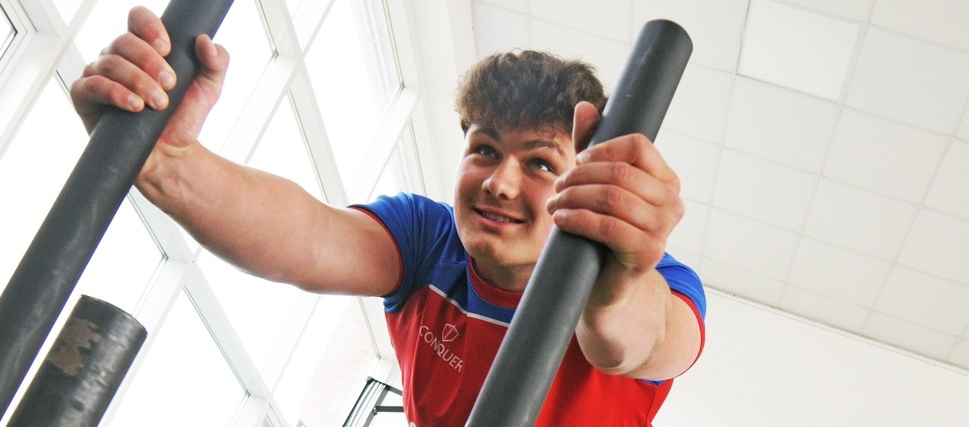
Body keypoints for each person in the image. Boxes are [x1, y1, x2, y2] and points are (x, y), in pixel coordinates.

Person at [71, 6, 706, 426]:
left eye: (540, 164)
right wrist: (167, 162)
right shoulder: (429, 240)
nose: (500, 183)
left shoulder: (646, 280)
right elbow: (307, 237)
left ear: (584, 179)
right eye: (484, 150)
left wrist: (614, 284)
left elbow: (640, 341)